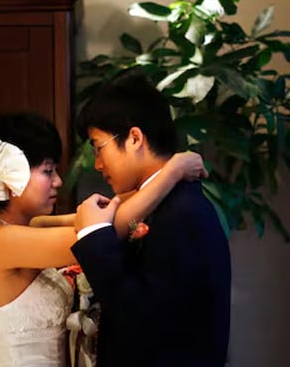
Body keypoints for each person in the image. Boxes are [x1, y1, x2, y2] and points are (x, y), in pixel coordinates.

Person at [0, 112, 207, 367]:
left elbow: (108, 211)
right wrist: (174, 171)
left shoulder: (31, 227)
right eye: (48, 171)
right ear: (6, 178)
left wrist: (157, 175)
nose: (58, 181)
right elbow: (98, 231)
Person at [71, 70, 232, 366]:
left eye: (98, 147)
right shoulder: (166, 202)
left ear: (134, 138)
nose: (96, 164)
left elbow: (139, 319)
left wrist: (95, 236)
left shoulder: (181, 213)